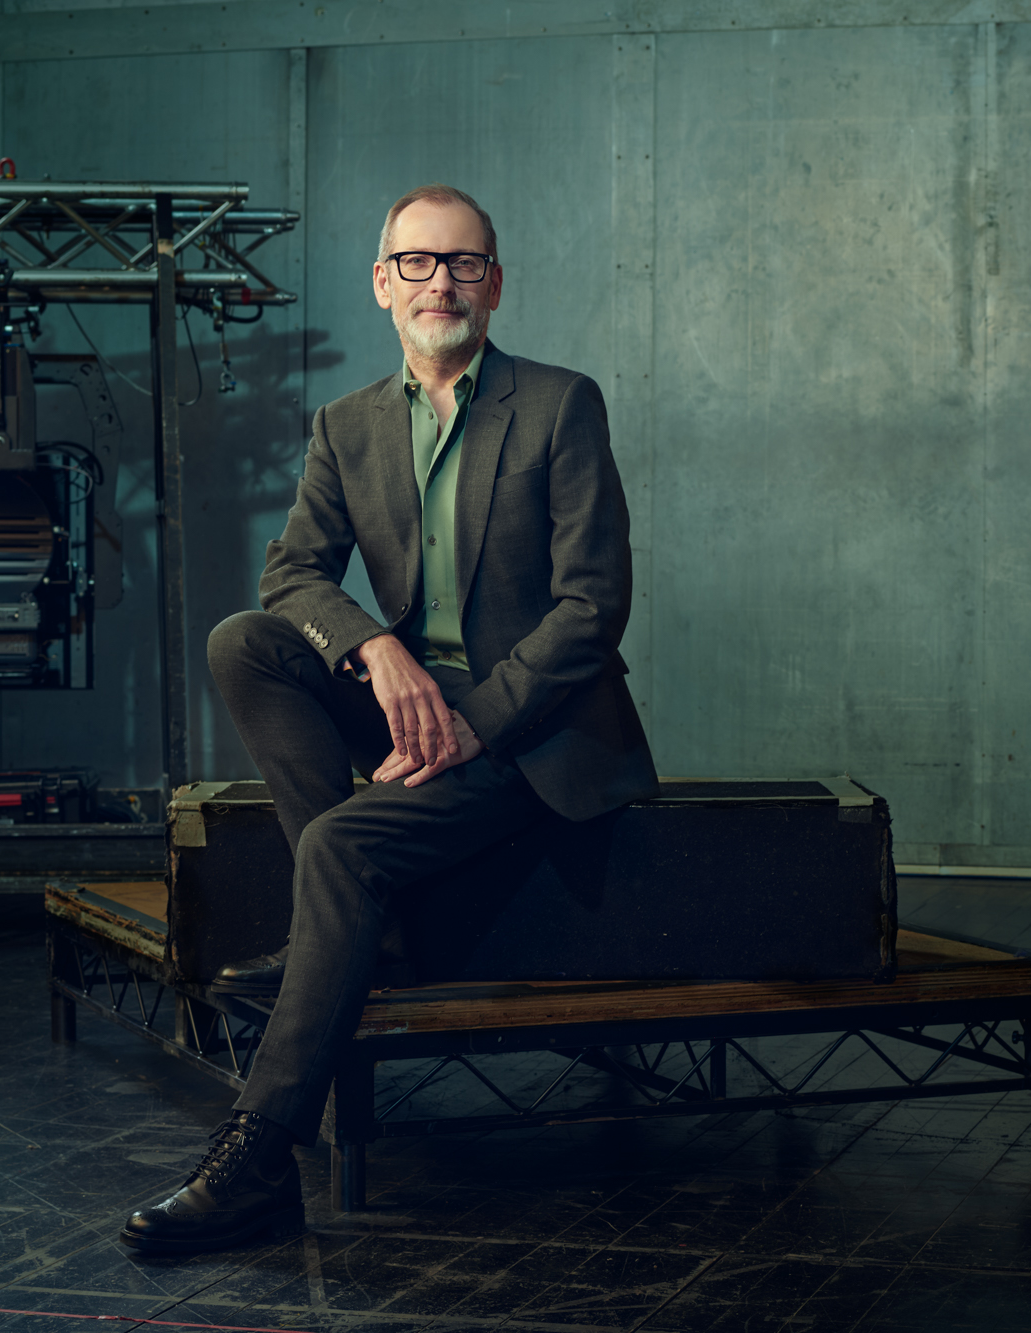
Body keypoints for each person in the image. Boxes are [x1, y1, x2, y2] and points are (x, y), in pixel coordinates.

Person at [119, 185, 657, 1254]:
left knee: (339, 846)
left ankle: (257, 1160)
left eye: (462, 263)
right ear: (382, 283)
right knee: (245, 640)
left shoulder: (559, 404)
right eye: (415, 263)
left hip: (532, 730)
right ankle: (370, 922)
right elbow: (291, 572)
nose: (439, 283)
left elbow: (591, 607)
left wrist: (475, 721)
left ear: (493, 284)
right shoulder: (347, 423)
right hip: (410, 710)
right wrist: (376, 648)